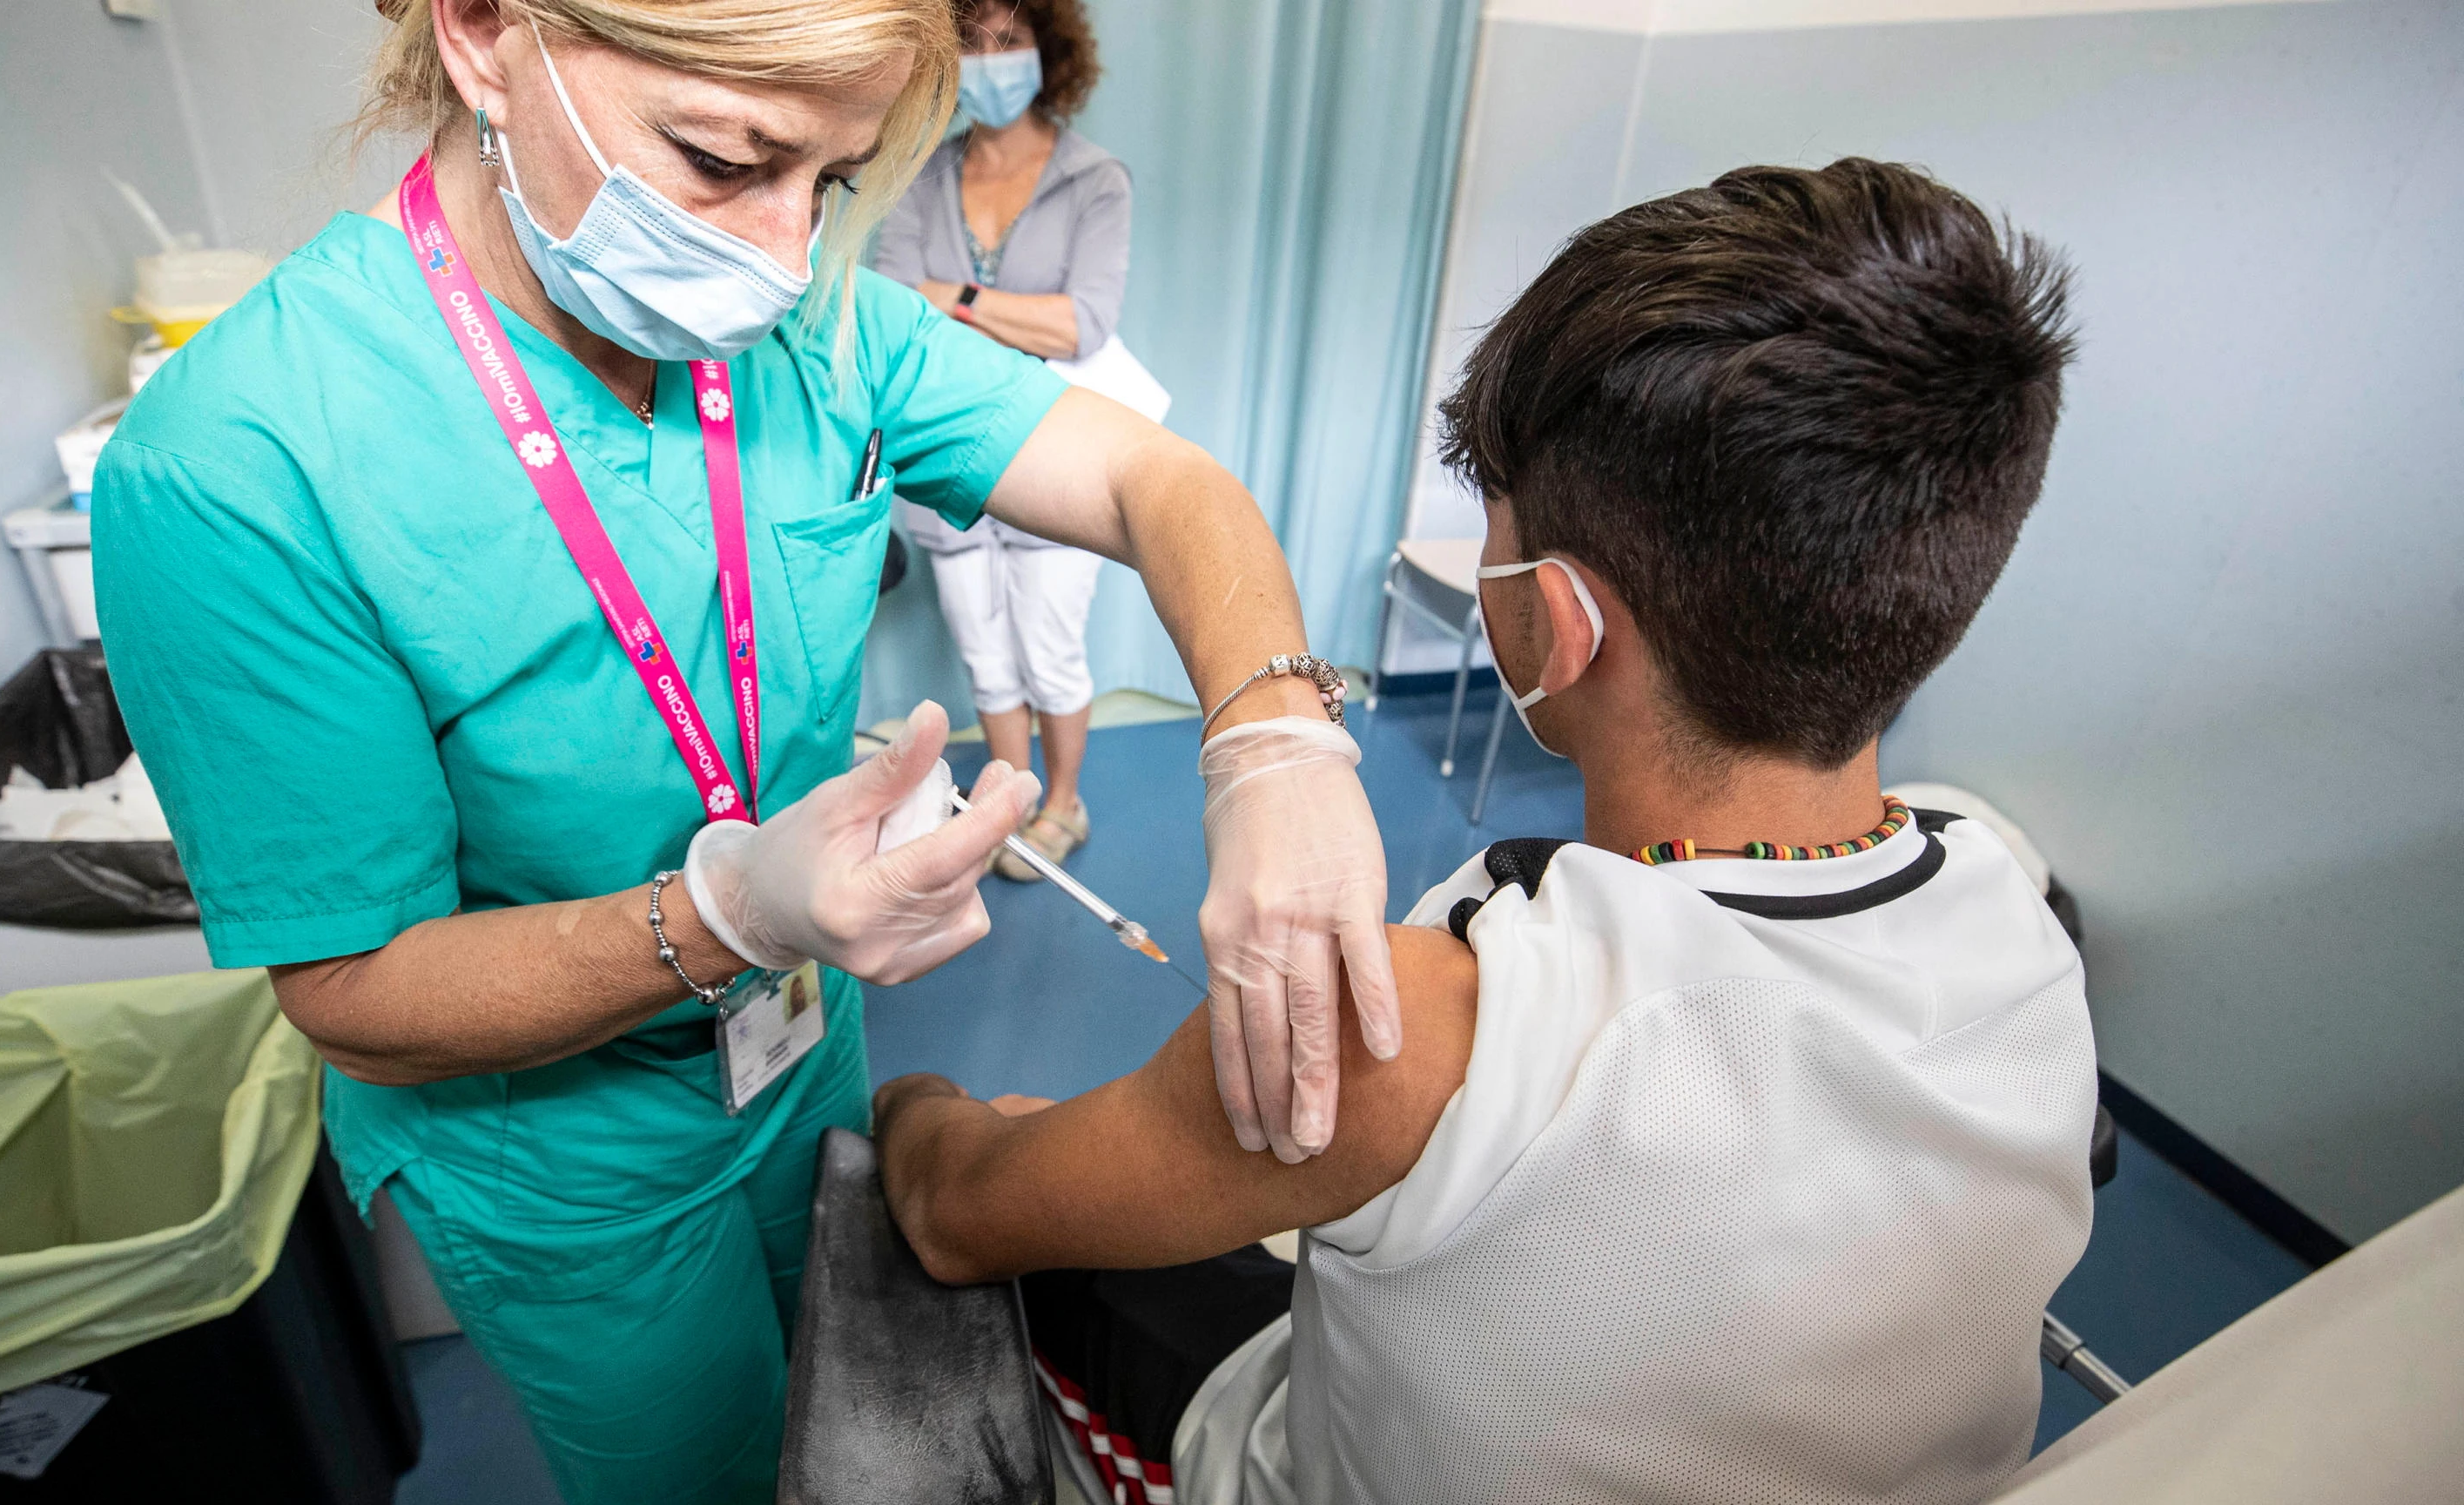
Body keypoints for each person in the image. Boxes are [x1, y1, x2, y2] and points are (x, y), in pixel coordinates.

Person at [88, 1, 1399, 1499]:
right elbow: (353, 987)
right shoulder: (240, 465)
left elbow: (1155, 476)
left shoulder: (818, 322)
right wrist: (721, 915)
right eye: (723, 158)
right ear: (478, 30)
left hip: (798, 1044)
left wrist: (1275, 739)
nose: (785, 254)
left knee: (850, 1394)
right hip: (565, 1160)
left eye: (834, 184)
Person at [877, 159, 2094, 1505]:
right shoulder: (2020, 933)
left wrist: (922, 1107)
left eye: (1493, 525)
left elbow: (956, 1208)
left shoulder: (1431, 1028)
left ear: (1559, 622)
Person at [872, 0, 1142, 876]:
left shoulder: (1095, 180)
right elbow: (889, 300)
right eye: (973, 43)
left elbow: (1085, 324)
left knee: (1050, 646)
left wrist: (956, 298)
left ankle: (1065, 803)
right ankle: (1015, 795)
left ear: (1048, 50)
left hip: (1056, 454)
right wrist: (998, 312)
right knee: (984, 648)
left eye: (1009, 40)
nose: (991, 60)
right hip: (944, 452)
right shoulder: (921, 175)